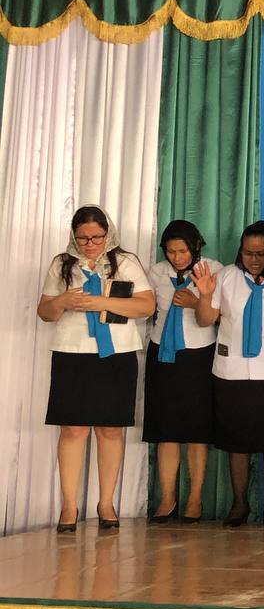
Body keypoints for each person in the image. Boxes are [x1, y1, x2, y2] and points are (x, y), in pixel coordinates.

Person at [37, 205, 156, 533]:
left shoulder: (125, 262)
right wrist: (62, 301)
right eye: (83, 238)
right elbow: (45, 312)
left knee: (110, 429)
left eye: (97, 237)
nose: (90, 244)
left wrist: (101, 301)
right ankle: (69, 506)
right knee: (72, 430)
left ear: (108, 233)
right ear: (73, 236)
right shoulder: (62, 263)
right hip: (71, 353)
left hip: (116, 354)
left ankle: (106, 503)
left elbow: (146, 305)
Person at [193, 221, 264, 528]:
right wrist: (204, 296)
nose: (254, 259)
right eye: (248, 253)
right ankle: (239, 503)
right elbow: (205, 320)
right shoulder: (226, 277)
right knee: (236, 441)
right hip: (233, 373)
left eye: (261, 254)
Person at [144, 220, 222, 524]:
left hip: (199, 354)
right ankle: (167, 499)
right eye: (170, 251)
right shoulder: (156, 272)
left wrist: (196, 301)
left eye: (182, 251)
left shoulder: (213, 270)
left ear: (196, 248)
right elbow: (147, 311)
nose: (176, 257)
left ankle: (195, 498)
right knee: (167, 429)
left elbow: (211, 319)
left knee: (197, 431)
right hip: (163, 352)